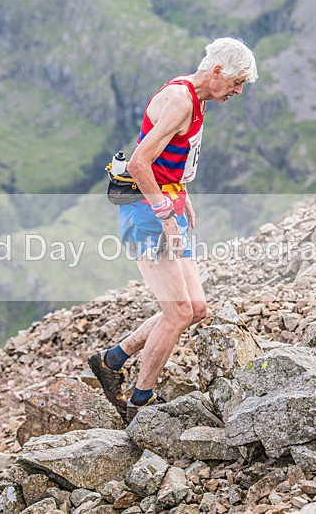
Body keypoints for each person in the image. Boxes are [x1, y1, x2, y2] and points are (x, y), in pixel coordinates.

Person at [89, 37, 258, 421]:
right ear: (217, 72)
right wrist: (167, 215)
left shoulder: (195, 98)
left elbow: (170, 161)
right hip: (148, 214)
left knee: (195, 308)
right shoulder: (181, 99)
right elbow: (139, 163)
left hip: (167, 205)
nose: (238, 91)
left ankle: (112, 360)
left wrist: (182, 195)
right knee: (179, 312)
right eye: (236, 82)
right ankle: (140, 401)